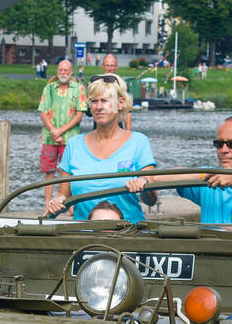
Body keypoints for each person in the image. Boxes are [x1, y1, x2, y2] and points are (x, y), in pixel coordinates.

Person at [45, 73, 155, 223]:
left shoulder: (139, 142)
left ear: (121, 103)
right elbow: (64, 195)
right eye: (94, 101)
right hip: (84, 235)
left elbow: (151, 200)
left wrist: (144, 184)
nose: (98, 107)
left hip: (128, 235)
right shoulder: (74, 144)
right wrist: (57, 201)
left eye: (104, 101)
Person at [37, 59, 87, 204]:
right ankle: (47, 202)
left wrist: (60, 132)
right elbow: (43, 112)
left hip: (70, 138)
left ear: (71, 72)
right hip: (49, 137)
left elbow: (79, 115)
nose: (63, 73)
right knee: (49, 171)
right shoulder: (49, 89)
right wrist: (53, 131)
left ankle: (68, 204)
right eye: (60, 70)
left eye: (66, 70)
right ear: (57, 71)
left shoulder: (79, 89)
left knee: (69, 171)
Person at [99, 53, 131, 131]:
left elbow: (127, 111)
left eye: (112, 66)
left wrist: (128, 132)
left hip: (118, 128)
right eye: (107, 65)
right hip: (99, 128)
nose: (109, 68)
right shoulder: (95, 84)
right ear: (102, 66)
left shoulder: (122, 85)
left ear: (116, 66)